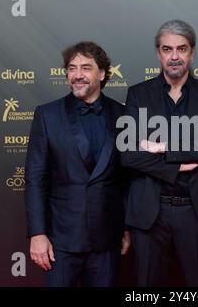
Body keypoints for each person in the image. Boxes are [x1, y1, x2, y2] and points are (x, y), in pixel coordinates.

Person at [120, 19, 198, 286]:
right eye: (167, 49)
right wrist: (177, 164)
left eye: (182, 49)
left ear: (192, 52)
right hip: (149, 213)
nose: (175, 56)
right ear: (158, 53)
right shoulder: (138, 94)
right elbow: (128, 154)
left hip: (196, 211)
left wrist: (160, 146)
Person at [24, 41, 130, 286]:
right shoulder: (47, 115)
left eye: (86, 68)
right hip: (61, 240)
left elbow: (126, 179)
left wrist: (126, 227)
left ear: (102, 73)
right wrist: (38, 233)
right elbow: (35, 178)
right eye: (72, 69)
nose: (78, 75)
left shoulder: (123, 115)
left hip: (107, 238)